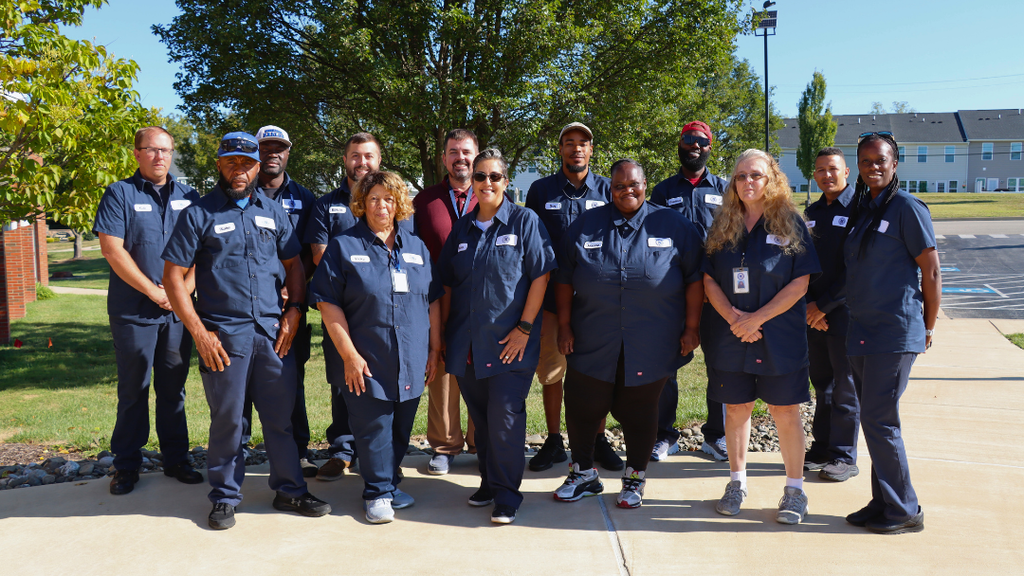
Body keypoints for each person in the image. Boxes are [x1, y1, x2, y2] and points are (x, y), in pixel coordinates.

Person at [162, 131, 331, 530]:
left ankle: (289, 490)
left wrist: (294, 311)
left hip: (273, 334)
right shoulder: (199, 214)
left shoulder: (273, 212)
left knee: (281, 417)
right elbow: (172, 278)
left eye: (247, 162)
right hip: (224, 336)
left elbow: (294, 265)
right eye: (232, 162)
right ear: (219, 164)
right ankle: (224, 496)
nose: (240, 170)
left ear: (258, 166)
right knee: (229, 419)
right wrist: (200, 333)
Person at [551, 159, 704, 508]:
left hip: (652, 340)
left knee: (640, 410)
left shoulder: (674, 225)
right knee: (581, 405)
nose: (626, 191)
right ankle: (583, 473)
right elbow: (562, 279)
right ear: (610, 189)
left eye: (633, 184)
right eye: (619, 186)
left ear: (645, 184)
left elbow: (696, 278)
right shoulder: (585, 226)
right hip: (592, 337)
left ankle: (635, 477)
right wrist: (563, 325)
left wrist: (692, 327)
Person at [309, 170, 443, 523]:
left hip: (412, 355)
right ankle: (377, 493)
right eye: (372, 199)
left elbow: (433, 300)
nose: (381, 205)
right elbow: (327, 303)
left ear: (399, 203)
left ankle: (389, 480)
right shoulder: (344, 246)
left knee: (400, 427)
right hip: (367, 357)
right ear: (361, 204)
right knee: (373, 427)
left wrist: (433, 349)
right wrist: (349, 355)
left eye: (388, 198)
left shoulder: (416, 248)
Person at [437, 148, 556, 524]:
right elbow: (447, 284)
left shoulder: (525, 222)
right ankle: (489, 482)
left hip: (510, 345)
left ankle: (507, 496)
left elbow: (541, 276)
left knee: (505, 417)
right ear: (471, 182)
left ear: (506, 182)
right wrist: (441, 336)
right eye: (479, 176)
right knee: (483, 420)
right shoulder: (462, 229)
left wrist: (524, 328)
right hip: (467, 345)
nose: (486, 183)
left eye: (494, 176)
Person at [703, 149, 820, 525]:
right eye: (740, 176)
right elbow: (708, 279)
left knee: (785, 412)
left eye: (755, 175)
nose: (747, 182)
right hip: (731, 334)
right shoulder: (723, 224)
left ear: (771, 180)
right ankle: (737, 483)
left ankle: (795, 491)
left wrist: (757, 319)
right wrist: (736, 319)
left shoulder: (790, 224)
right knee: (736, 410)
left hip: (778, 337)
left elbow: (800, 282)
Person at [93, 126, 204, 495]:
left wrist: (182, 293)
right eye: (152, 150)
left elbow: (202, 251)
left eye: (166, 150)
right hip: (133, 312)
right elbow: (113, 250)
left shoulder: (190, 196)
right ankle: (126, 465)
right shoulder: (119, 194)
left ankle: (176, 459)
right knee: (134, 389)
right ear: (137, 153)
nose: (160, 156)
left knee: (174, 389)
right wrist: (155, 292)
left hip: (177, 313)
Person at [843, 132, 940, 535]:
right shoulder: (863, 208)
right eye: (866, 162)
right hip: (862, 328)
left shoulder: (907, 208)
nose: (873, 167)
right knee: (873, 419)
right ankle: (883, 500)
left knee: (882, 421)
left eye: (881, 160)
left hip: (894, 331)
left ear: (895, 163)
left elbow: (931, 271)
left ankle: (904, 510)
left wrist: (929, 325)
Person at [524, 122, 622, 473]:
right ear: (560, 149)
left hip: (596, 301)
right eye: (569, 143)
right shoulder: (540, 190)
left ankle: (596, 439)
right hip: (551, 298)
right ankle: (553, 440)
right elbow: (531, 242)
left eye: (583, 143)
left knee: (597, 373)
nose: (576, 148)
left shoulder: (608, 189)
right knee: (552, 371)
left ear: (592, 150)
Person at [235, 125, 319, 477]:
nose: (272, 152)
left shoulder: (306, 198)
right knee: (237, 387)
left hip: (290, 308)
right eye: (265, 147)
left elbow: (312, 253)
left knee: (290, 381)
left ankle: (296, 452)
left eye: (279, 147)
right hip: (242, 311)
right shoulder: (236, 196)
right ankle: (234, 455)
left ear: (288, 153)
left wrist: (294, 293)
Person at [649, 120, 730, 463]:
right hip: (672, 291)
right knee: (666, 364)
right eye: (688, 139)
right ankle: (664, 436)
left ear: (710, 147)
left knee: (721, 364)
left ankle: (717, 436)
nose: (694, 145)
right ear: (679, 145)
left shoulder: (727, 190)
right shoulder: (662, 192)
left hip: (716, 292)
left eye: (701, 140)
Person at [305, 132, 380, 481]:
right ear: (345, 160)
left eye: (368, 156)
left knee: (380, 381)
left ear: (378, 160)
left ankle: (376, 453)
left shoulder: (390, 201)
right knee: (342, 381)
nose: (361, 162)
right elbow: (321, 258)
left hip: (380, 313)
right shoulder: (325, 205)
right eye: (355, 156)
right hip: (340, 313)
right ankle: (343, 450)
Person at [412, 129, 479, 476]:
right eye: (453, 151)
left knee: (481, 370)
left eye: (466, 151)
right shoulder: (424, 202)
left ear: (476, 155)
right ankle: (444, 445)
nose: (460, 158)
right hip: (437, 301)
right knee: (441, 370)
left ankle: (481, 441)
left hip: (481, 303)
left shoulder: (491, 196)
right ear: (443, 159)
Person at [803, 147, 860, 482]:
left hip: (843, 312)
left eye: (833, 169)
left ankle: (844, 456)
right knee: (822, 385)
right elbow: (802, 263)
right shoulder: (810, 212)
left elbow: (857, 267)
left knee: (845, 385)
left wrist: (823, 306)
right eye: (821, 170)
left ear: (847, 172)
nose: (827, 175)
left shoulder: (859, 209)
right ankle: (822, 447)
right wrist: (810, 305)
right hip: (813, 314)